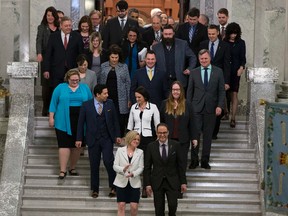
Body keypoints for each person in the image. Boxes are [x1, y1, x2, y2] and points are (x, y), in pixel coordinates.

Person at [76, 84, 121, 198]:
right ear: (97, 94)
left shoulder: (110, 103)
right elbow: (81, 123)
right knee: (94, 164)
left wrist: (117, 135)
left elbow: (115, 120)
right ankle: (95, 189)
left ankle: (113, 187)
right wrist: (79, 138)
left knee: (108, 162)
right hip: (93, 139)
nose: (107, 95)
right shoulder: (86, 105)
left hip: (107, 139)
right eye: (105, 93)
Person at [49, 69, 92, 179]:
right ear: (67, 79)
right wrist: (51, 118)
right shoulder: (60, 88)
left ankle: (72, 167)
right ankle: (62, 170)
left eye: (77, 80)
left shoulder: (85, 88)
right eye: (72, 80)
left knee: (77, 146)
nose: (75, 82)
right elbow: (53, 103)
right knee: (64, 145)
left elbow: (91, 104)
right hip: (62, 121)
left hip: (81, 121)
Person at [186, 49, 225, 169]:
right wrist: (188, 107)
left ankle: (204, 160)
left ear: (210, 58)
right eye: (201, 59)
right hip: (196, 109)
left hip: (211, 108)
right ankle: (194, 160)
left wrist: (220, 106)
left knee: (208, 136)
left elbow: (221, 91)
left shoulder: (218, 72)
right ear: (199, 59)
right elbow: (189, 91)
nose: (203, 60)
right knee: (195, 135)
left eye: (205, 58)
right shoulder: (194, 72)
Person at [143, 123, 187, 216]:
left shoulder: (176, 145)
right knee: (159, 209)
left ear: (168, 133)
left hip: (172, 181)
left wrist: (183, 182)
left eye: (164, 132)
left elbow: (181, 165)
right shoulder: (151, 146)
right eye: (160, 133)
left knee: (172, 205)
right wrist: (147, 184)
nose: (162, 135)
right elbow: (147, 167)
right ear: (156, 133)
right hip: (157, 181)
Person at [127, 86, 160, 198]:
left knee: (146, 164)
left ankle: (146, 187)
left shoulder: (153, 107)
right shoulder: (133, 108)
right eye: (136, 97)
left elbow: (157, 124)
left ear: (145, 97)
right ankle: (133, 187)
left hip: (148, 138)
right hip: (135, 139)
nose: (137, 99)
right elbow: (130, 125)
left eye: (139, 97)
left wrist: (158, 137)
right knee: (135, 164)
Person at [199, 24, 231, 139]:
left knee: (218, 105)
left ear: (218, 33)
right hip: (204, 79)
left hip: (219, 79)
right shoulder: (203, 44)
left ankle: (214, 132)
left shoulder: (225, 46)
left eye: (213, 34)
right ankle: (204, 130)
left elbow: (227, 65)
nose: (211, 36)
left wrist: (226, 82)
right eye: (209, 34)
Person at [160, 81, 197, 172]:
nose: (175, 92)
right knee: (169, 163)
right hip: (168, 140)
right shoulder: (164, 104)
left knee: (182, 163)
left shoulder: (187, 104)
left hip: (183, 140)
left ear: (181, 91)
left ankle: (182, 183)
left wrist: (194, 138)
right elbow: (161, 122)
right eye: (173, 90)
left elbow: (192, 123)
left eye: (177, 90)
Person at [43, 16, 83, 88]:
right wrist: (46, 69)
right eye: (66, 26)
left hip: (72, 70)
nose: (68, 27)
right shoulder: (53, 37)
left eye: (70, 25)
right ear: (61, 26)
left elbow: (80, 54)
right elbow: (48, 54)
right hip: (56, 71)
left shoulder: (77, 36)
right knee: (58, 92)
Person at [100, 44, 131, 137]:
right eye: (112, 57)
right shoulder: (103, 66)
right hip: (107, 97)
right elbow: (100, 82)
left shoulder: (124, 67)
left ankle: (119, 136)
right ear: (109, 56)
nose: (114, 59)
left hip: (121, 97)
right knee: (106, 117)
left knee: (120, 118)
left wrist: (129, 98)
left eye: (116, 57)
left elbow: (128, 83)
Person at [152, 24, 197, 89]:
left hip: (179, 81)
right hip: (162, 83)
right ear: (162, 34)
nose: (168, 36)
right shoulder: (156, 47)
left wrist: (189, 69)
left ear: (173, 34)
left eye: (170, 34)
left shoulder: (182, 44)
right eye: (166, 34)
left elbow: (193, 57)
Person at [113, 130, 144, 216]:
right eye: (135, 139)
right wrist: (123, 169)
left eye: (138, 139)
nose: (137, 141)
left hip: (134, 182)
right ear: (129, 139)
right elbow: (115, 166)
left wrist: (133, 174)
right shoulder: (120, 150)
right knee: (121, 205)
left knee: (134, 206)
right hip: (121, 182)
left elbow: (141, 167)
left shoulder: (140, 152)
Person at [36, 6, 59, 116]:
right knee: (46, 85)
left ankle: (54, 110)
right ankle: (45, 109)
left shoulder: (59, 28)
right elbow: (38, 41)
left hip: (58, 60)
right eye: (48, 15)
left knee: (56, 85)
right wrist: (39, 53)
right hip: (46, 59)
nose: (50, 17)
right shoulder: (42, 27)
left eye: (52, 15)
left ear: (55, 16)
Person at [224, 22, 246, 128]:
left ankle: (233, 118)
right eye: (232, 33)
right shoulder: (224, 42)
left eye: (235, 33)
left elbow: (243, 58)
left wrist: (242, 67)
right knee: (224, 92)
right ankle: (226, 111)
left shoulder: (241, 43)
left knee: (234, 93)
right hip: (225, 71)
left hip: (236, 71)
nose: (233, 35)